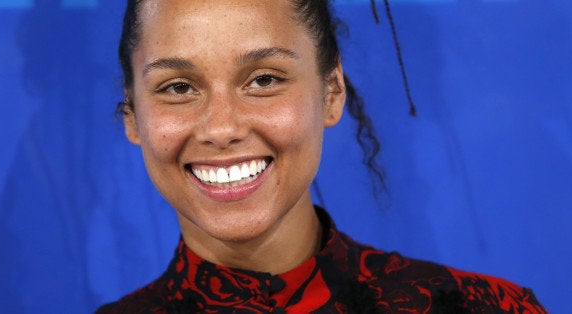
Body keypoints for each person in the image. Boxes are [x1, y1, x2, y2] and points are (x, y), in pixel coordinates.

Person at [97, 0, 546, 312]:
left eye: (264, 80)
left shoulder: (484, 307)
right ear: (133, 115)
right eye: (178, 88)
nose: (222, 128)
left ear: (331, 93)